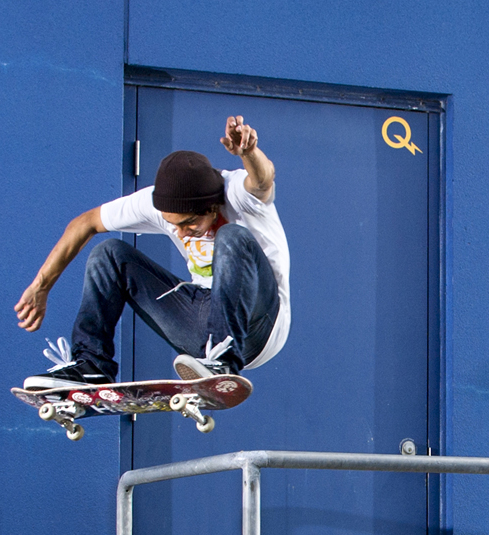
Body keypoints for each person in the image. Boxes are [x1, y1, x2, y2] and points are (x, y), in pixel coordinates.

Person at [15, 115, 290, 389]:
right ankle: (91, 365)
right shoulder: (156, 204)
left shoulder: (237, 195)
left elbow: (262, 181)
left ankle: (223, 359)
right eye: (174, 225)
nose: (181, 233)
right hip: (203, 325)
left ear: (212, 206)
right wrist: (41, 287)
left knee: (231, 236)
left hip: (261, 324)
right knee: (109, 254)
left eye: (189, 223)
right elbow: (84, 223)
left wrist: (250, 153)